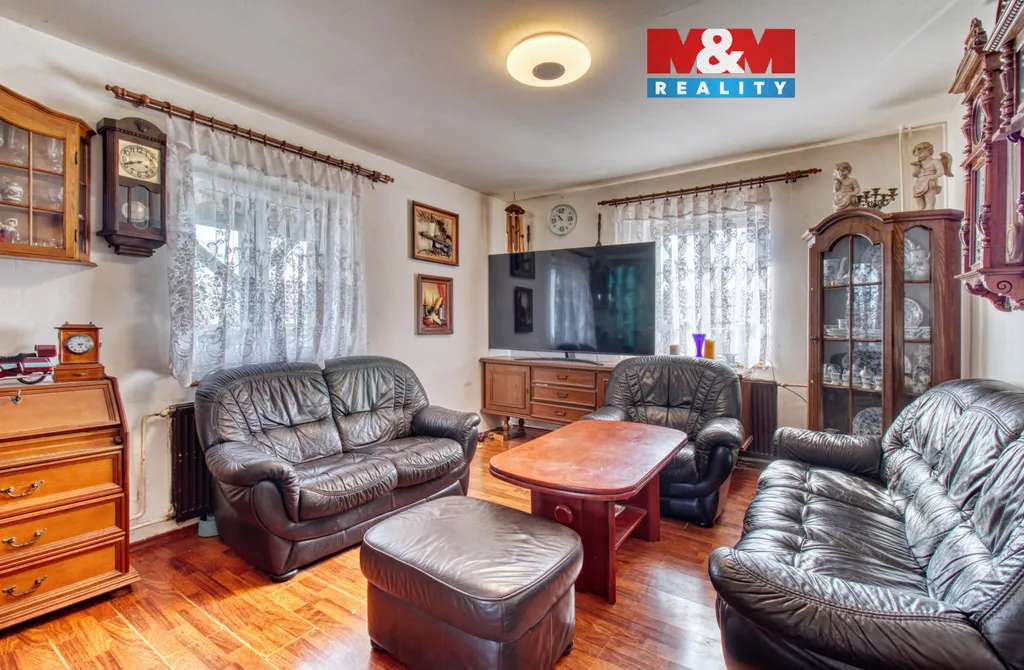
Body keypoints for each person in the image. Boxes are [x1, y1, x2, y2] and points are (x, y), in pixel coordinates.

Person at [910, 142, 954, 210]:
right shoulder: (920, 163)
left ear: (928, 151)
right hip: (919, 181)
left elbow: (941, 171)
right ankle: (920, 207)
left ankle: (930, 206)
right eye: (917, 155)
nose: (918, 156)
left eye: (920, 153)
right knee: (917, 196)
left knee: (929, 194)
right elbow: (915, 174)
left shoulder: (935, 161)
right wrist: (917, 166)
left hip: (929, 180)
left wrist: (935, 176)